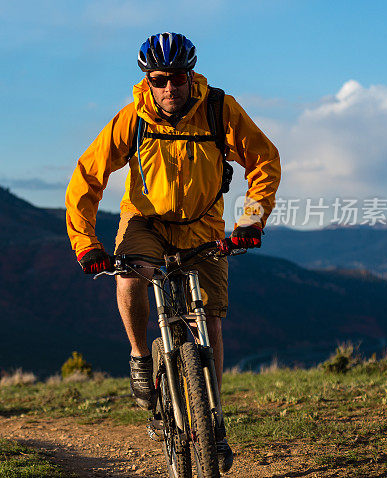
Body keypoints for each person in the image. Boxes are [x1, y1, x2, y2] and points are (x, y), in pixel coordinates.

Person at [64, 32, 281, 471]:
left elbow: (264, 160)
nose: (169, 88)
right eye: (160, 79)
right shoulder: (134, 118)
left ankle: (212, 424)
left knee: (210, 322)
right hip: (146, 221)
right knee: (131, 275)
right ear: (148, 79)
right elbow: (88, 176)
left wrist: (250, 221)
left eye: (177, 78)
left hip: (203, 224)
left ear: (191, 75)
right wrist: (87, 243)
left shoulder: (220, 109)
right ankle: (140, 357)